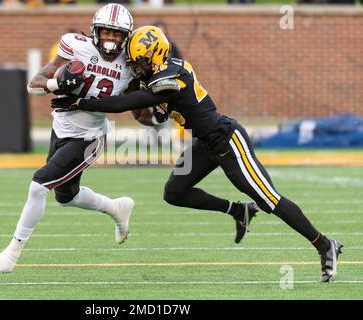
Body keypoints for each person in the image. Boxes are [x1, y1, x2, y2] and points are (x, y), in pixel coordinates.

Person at [52, 26, 344, 282]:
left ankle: (324, 244)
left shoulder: (170, 77)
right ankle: (237, 210)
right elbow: (151, 114)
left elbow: (126, 103)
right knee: (174, 192)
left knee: (268, 199)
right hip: (204, 143)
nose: (135, 67)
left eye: (138, 62)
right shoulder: (161, 71)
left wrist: (81, 102)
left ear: (155, 55)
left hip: (227, 140)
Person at [0, 4, 136, 273]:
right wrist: (57, 84)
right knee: (67, 196)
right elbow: (34, 83)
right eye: (106, 32)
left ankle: (11, 254)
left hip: (89, 138)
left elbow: (139, 109)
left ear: (126, 37)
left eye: (117, 34)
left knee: (39, 186)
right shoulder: (76, 46)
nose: (110, 39)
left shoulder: (131, 65)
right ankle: (115, 208)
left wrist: (157, 114)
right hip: (61, 127)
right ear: (95, 31)